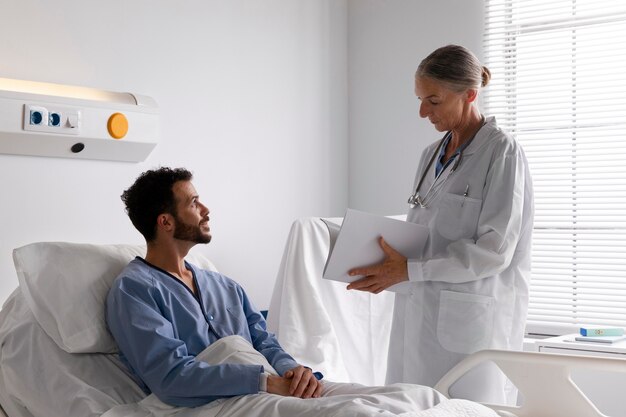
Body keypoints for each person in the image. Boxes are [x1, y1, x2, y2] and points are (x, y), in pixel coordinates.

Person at [105, 167, 447, 414]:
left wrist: (293, 371)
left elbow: (264, 342)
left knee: (416, 397)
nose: (206, 210)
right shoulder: (135, 290)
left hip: (270, 383)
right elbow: (171, 378)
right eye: (194, 203)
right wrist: (264, 382)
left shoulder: (223, 285)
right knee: (357, 414)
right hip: (215, 401)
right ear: (165, 222)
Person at [346, 45, 534, 403]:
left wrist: (410, 270)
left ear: (469, 94)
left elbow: (494, 252)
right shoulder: (430, 154)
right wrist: (385, 263)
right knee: (411, 404)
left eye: (433, 101)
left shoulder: (502, 153)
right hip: (418, 314)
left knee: (466, 409)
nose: (422, 112)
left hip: (470, 326)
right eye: (419, 99)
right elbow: (428, 232)